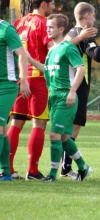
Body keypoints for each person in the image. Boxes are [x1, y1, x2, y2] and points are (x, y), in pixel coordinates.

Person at [60, 2, 100, 180]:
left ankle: (65, 167)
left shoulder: (71, 33)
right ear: (86, 16)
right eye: (94, 15)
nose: (95, 18)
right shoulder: (84, 34)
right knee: (73, 129)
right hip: (77, 87)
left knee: (68, 128)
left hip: (69, 84)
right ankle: (65, 168)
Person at [26, 13, 93, 182]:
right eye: (47, 26)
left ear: (61, 29)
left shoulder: (68, 47)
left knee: (54, 135)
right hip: (53, 96)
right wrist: (29, 59)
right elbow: (47, 69)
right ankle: (83, 167)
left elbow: (81, 69)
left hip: (65, 96)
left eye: (51, 27)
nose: (47, 29)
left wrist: (72, 91)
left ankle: (52, 174)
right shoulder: (52, 50)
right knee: (63, 137)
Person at [6, 0, 56, 180]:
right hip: (39, 78)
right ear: (44, 4)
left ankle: (8, 168)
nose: (53, 7)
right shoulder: (44, 24)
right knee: (39, 123)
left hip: (20, 79)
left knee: (16, 123)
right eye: (51, 4)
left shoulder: (19, 23)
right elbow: (53, 49)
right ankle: (32, 171)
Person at [0, 19, 30, 181]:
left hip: (6, 86)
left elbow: (22, 55)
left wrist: (23, 80)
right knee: (3, 130)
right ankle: (6, 172)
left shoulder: (7, 29)